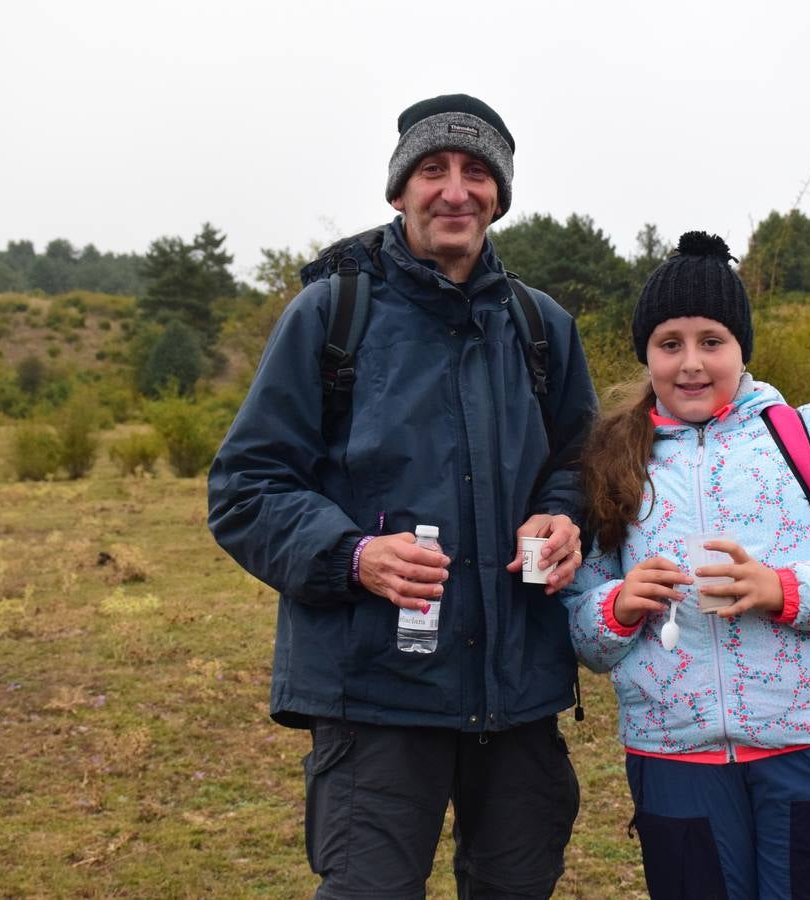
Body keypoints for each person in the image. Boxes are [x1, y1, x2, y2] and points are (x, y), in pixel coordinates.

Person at [207, 93, 597, 898]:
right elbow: (245, 488)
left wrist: (566, 515)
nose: (455, 189)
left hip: (518, 690)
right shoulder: (331, 316)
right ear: (399, 192)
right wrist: (352, 555)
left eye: (476, 172)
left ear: (499, 195)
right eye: (433, 170)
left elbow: (582, 464)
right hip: (375, 694)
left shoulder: (541, 326)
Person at [560, 232, 810, 900]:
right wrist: (617, 606)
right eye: (669, 343)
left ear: (742, 349)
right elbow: (583, 634)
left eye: (712, 341)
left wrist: (782, 589)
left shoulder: (809, 435)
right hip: (672, 759)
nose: (691, 363)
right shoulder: (614, 456)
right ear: (645, 353)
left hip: (807, 752)